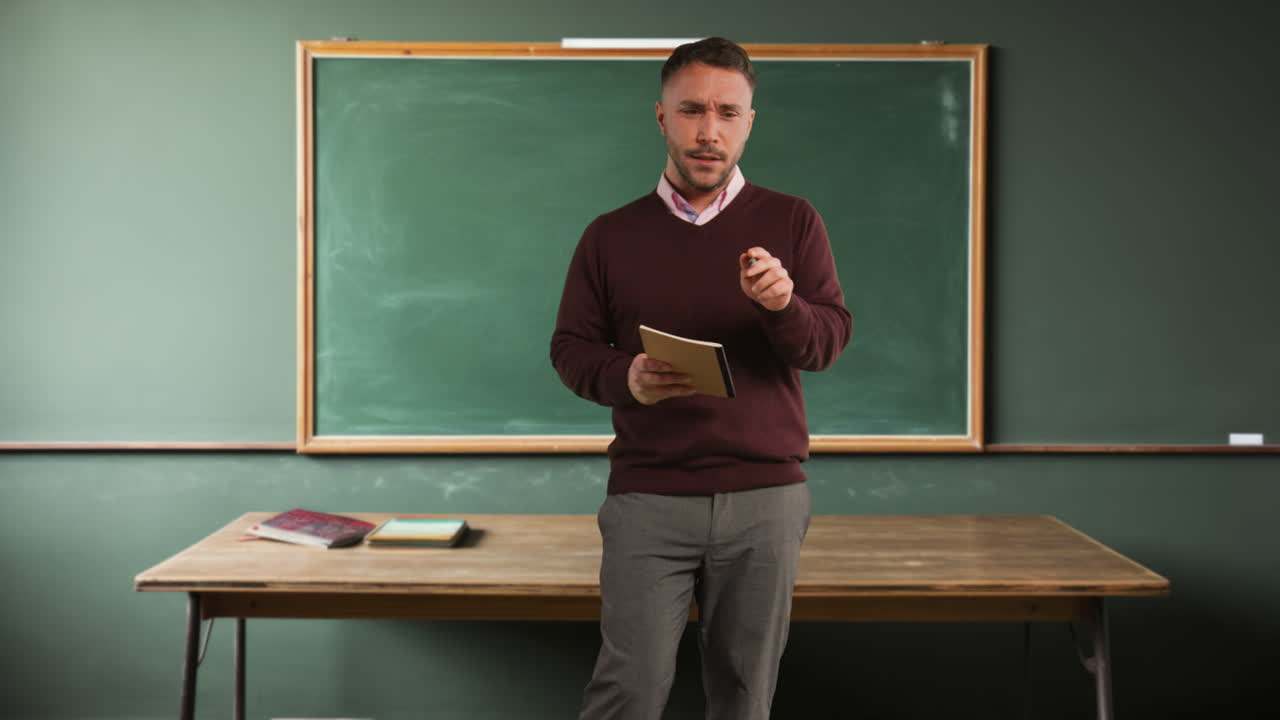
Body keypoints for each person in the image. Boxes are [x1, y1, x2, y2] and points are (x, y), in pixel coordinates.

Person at [550, 37, 852, 720]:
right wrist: (625, 375)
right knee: (627, 692)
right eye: (691, 111)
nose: (708, 131)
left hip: (766, 501)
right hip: (649, 497)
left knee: (745, 698)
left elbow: (826, 341)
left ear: (749, 122)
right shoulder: (610, 235)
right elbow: (570, 348)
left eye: (726, 112)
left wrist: (782, 306)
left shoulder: (793, 220)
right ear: (661, 117)